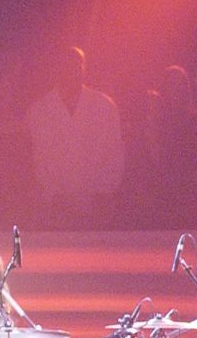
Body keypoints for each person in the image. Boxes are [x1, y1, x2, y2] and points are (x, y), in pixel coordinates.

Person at [25, 46, 124, 215]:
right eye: (65, 66)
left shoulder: (104, 106)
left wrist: (105, 192)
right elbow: (39, 158)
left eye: (76, 66)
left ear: (83, 68)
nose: (71, 72)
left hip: (99, 206)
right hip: (56, 208)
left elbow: (114, 152)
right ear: (56, 70)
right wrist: (52, 195)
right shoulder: (39, 111)